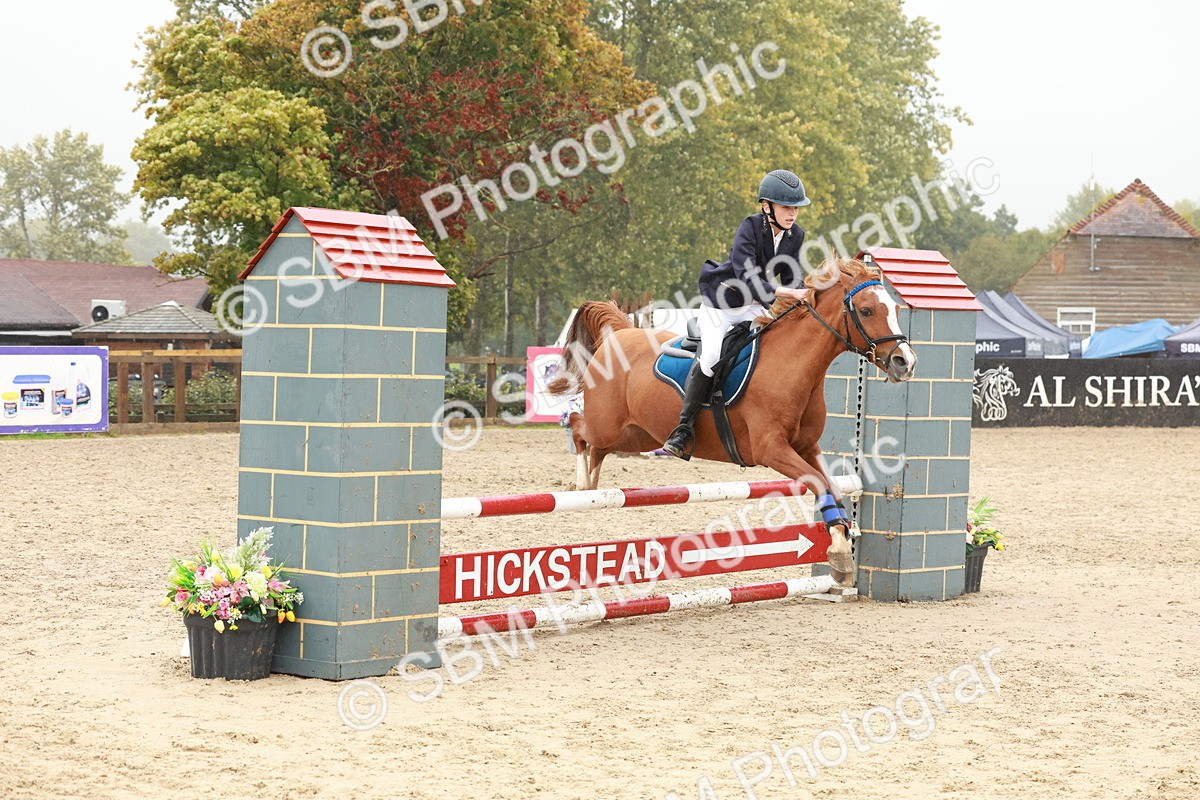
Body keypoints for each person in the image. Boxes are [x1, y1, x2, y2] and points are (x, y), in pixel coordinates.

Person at [662, 169, 814, 460]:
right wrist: (788, 294)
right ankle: (683, 430)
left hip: (753, 306)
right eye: (786, 207)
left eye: (795, 207)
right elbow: (748, 276)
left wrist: (806, 295)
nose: (792, 213)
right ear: (766, 206)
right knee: (710, 358)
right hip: (722, 304)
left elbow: (792, 275)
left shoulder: (795, 235)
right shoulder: (750, 228)